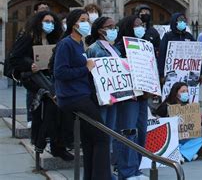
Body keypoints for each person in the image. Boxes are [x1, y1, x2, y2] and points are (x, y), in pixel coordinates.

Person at [54, 9, 112, 179]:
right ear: (74, 24)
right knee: (102, 137)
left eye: (87, 20)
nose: (86, 23)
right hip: (74, 97)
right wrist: (85, 68)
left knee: (89, 140)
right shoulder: (66, 44)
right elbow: (60, 72)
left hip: (81, 95)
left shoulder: (80, 43)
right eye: (82, 20)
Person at [9, 11, 72, 160]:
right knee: (51, 105)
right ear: (39, 22)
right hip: (34, 79)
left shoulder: (55, 39)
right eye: (46, 21)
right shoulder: (29, 38)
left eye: (52, 21)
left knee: (56, 108)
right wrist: (29, 65)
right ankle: (43, 141)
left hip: (50, 78)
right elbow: (14, 58)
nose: (49, 24)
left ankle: (53, 143)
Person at [114, 15, 149, 180]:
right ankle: (126, 170)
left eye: (142, 24)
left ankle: (136, 168)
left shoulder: (145, 45)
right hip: (129, 97)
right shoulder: (120, 47)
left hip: (143, 95)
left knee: (141, 132)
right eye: (137, 25)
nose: (141, 27)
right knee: (128, 131)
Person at [85, 17, 120, 139]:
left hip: (114, 96)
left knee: (111, 131)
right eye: (110, 27)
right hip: (101, 98)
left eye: (115, 27)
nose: (113, 30)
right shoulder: (94, 49)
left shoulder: (114, 48)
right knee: (102, 131)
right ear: (100, 31)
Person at [154, 82, 202, 162]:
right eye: (182, 91)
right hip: (172, 136)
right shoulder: (165, 107)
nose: (185, 93)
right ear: (175, 93)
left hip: (185, 136)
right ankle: (188, 153)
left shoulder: (188, 107)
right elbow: (158, 123)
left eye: (186, 91)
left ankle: (181, 153)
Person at [158, 13, 195, 81]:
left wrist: (200, 73)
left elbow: (196, 56)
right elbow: (162, 55)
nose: (182, 22)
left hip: (186, 73)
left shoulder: (189, 36)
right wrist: (161, 74)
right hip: (171, 73)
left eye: (184, 21)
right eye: (180, 20)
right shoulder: (168, 36)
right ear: (174, 22)